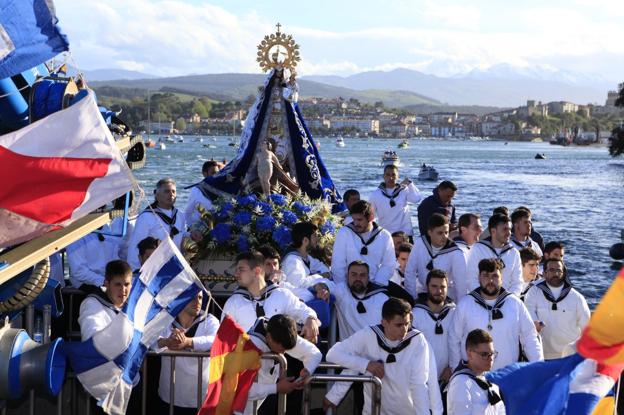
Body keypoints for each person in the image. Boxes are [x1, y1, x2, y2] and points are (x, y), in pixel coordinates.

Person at [325, 298, 443, 415]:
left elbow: (419, 385)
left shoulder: (418, 340)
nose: (405, 330)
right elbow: (333, 354)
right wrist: (367, 365)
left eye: (407, 324)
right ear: (384, 322)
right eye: (399, 325)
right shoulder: (368, 335)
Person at [449, 258, 543, 370]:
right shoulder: (465, 304)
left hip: (507, 374)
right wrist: (456, 369)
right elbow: (454, 338)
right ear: (479, 278)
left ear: (502, 279)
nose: (491, 280)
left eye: (495, 276)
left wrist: (539, 368)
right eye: (486, 276)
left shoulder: (514, 303)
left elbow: (530, 337)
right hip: (474, 377)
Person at [222, 251, 320, 342]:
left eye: (241, 270)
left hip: (278, 359)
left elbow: (304, 311)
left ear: (256, 271)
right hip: (245, 359)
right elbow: (223, 338)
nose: (236, 274)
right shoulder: (233, 302)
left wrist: (311, 319)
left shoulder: (281, 295)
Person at [243, 315, 322, 415]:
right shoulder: (248, 349)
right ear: (269, 338)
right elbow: (241, 390)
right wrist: (276, 387)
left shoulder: (284, 334)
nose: (284, 353)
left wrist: (307, 371)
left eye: (287, 349)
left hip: (261, 401)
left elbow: (315, 354)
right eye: (281, 349)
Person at [156, 291, 219, 414]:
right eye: (193, 297)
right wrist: (166, 342)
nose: (198, 302)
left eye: (200, 298)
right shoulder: (165, 319)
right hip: (170, 396)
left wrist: (188, 342)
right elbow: (149, 340)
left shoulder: (210, 320)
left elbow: (216, 341)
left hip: (200, 398)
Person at [523, 258, 590, 359]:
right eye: (551, 270)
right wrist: (535, 323)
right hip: (541, 355)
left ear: (563, 273)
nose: (555, 273)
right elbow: (529, 316)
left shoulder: (577, 297)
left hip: (569, 356)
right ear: (544, 273)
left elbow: (587, 327)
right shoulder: (533, 293)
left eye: (559, 270)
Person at [331, 200, 396, 285]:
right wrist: (343, 287)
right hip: (349, 285)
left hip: (375, 284)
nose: (356, 223)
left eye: (359, 219)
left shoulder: (385, 236)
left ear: (371, 218)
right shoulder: (344, 233)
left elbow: (389, 264)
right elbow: (337, 264)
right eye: (354, 219)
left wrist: (377, 285)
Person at [127, 178, 186, 271]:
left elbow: (183, 238)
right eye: (167, 191)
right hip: (154, 268)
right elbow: (135, 246)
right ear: (157, 195)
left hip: (175, 266)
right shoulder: (146, 217)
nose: (171, 194)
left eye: (173, 191)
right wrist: (135, 271)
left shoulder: (180, 215)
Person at [405, 213, 467, 301]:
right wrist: (413, 299)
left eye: (446, 232)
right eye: (440, 233)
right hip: (423, 293)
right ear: (430, 232)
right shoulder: (420, 243)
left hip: (445, 297)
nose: (444, 236)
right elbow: (410, 272)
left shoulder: (456, 253)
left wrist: (460, 308)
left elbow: (461, 285)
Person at [412, 269, 456, 386]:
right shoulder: (415, 314)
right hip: (421, 377)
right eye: (434, 286)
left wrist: (452, 367)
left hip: (448, 377)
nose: (439, 291)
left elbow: (460, 343)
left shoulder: (455, 313)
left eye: (443, 287)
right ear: (427, 287)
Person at [446, 329, 505, 415]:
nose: (491, 358)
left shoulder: (490, 383)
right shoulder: (461, 383)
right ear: (470, 354)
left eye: (492, 354)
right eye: (484, 354)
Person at [467, 214, 523, 296]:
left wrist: (508, 300)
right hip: (482, 301)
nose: (509, 233)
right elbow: (472, 280)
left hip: (506, 302)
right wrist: (486, 299)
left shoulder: (514, 253)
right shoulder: (478, 249)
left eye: (510, 229)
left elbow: (517, 283)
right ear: (493, 231)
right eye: (505, 229)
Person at [78, 260, 133, 341]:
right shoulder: (91, 304)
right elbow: (91, 334)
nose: (123, 290)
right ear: (106, 284)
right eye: (118, 285)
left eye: (126, 284)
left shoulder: (133, 305)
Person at [369, 165, 422, 237]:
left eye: (393, 175)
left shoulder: (404, 190)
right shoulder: (375, 194)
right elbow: (371, 216)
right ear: (383, 176)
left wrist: (410, 184)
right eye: (388, 175)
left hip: (405, 234)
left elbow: (416, 199)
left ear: (398, 176)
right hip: (386, 235)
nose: (391, 178)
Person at [281, 222, 330, 290]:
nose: (317, 239)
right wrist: (320, 276)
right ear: (305, 240)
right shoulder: (292, 261)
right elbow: (299, 285)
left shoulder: (306, 257)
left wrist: (313, 277)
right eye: (314, 236)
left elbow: (325, 269)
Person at [184, 160, 219, 226]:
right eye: (213, 173)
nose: (216, 176)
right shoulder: (196, 190)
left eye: (217, 173)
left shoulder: (222, 190)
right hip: (201, 229)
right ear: (204, 174)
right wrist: (191, 229)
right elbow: (188, 212)